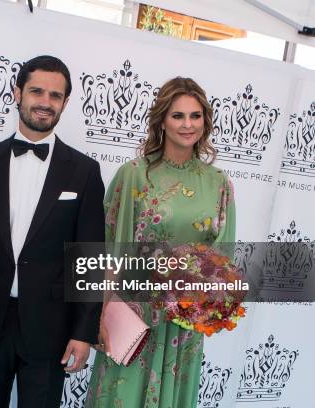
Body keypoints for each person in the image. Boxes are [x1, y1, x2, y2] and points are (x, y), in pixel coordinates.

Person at [0, 55, 104, 408]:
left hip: (51, 327)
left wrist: (83, 332)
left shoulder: (84, 171)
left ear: (65, 102)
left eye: (55, 95)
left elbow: (90, 258)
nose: (45, 102)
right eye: (36, 91)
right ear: (17, 93)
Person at [85, 77, 236, 407]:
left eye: (195, 116)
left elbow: (223, 258)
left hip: (186, 322)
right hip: (136, 314)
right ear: (162, 121)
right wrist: (96, 313)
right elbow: (112, 250)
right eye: (178, 116)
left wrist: (206, 300)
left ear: (205, 122)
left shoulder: (218, 183)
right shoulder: (135, 174)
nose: (187, 124)